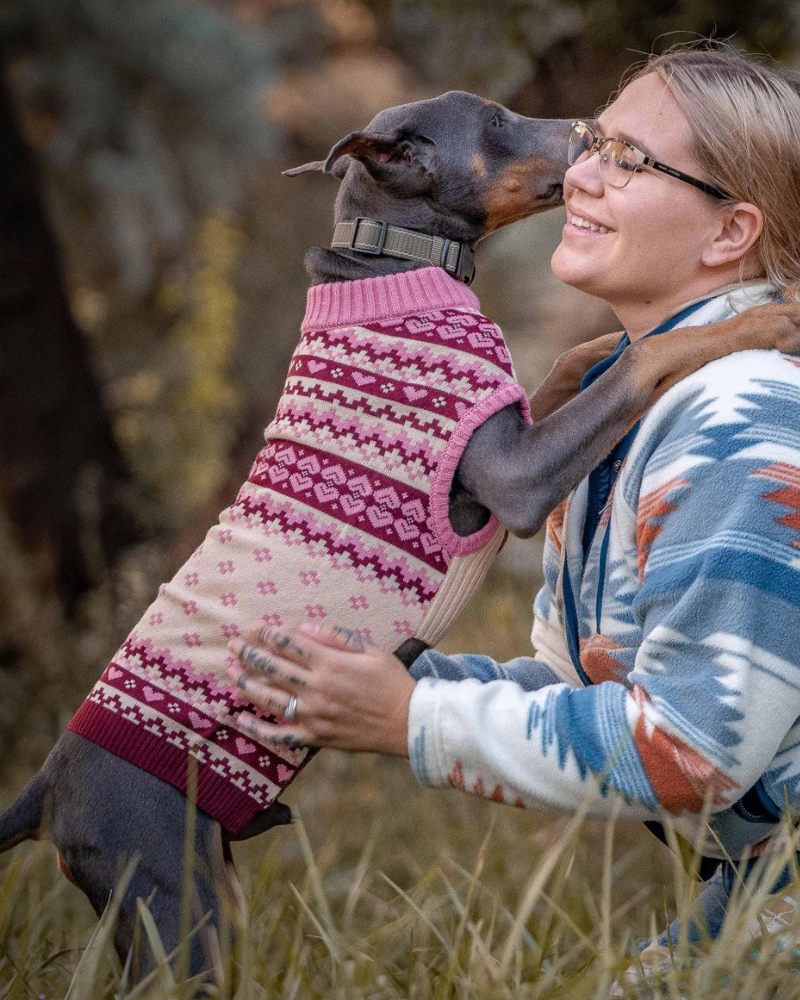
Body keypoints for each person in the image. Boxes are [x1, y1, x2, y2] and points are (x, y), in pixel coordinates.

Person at [228, 44, 800, 978]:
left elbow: (690, 753)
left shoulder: (746, 418)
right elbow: (587, 698)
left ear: (730, 234)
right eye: (596, 146)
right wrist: (371, 679)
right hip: (756, 893)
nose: (580, 173)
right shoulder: (624, 406)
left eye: (629, 161)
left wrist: (412, 718)